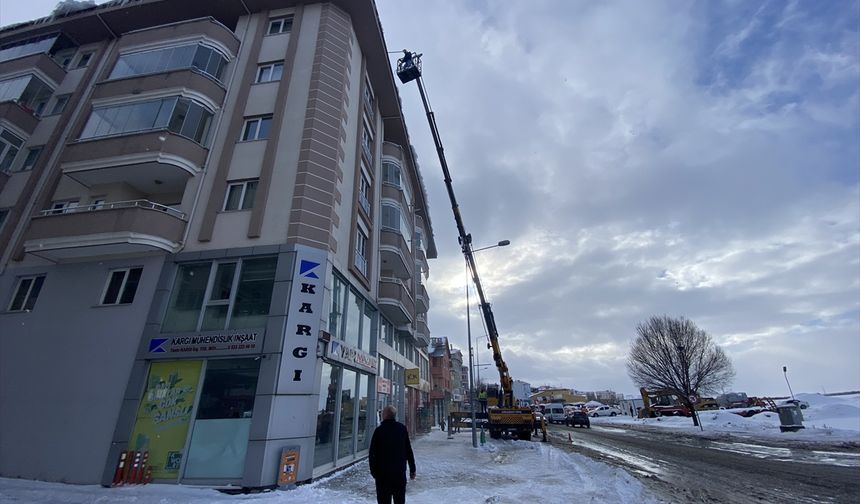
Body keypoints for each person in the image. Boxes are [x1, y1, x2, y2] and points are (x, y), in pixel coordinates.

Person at [369, 405, 416, 504]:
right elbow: (408, 450)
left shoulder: (379, 431)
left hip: (382, 476)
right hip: (399, 474)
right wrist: (412, 469)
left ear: (385, 415)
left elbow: (372, 453)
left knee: (383, 500)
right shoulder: (402, 429)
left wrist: (374, 472)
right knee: (399, 500)